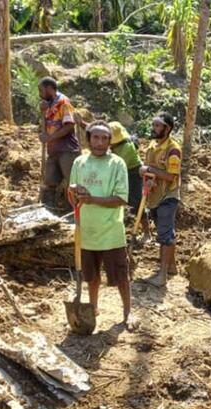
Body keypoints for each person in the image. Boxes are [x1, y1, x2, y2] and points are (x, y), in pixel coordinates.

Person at [68, 121, 136, 328]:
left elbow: (121, 199)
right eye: (95, 137)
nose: (100, 142)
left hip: (110, 232)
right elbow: (72, 194)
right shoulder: (79, 163)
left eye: (104, 138)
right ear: (88, 140)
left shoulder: (117, 164)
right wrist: (73, 191)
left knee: (121, 275)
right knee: (91, 276)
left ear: (110, 142)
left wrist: (92, 200)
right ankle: (93, 307)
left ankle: (127, 313)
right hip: (87, 230)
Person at [139, 113, 182, 288]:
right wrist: (147, 176)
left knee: (165, 235)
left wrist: (149, 169)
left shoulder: (173, 150)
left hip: (167, 197)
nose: (154, 128)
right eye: (154, 125)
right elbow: (152, 170)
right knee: (165, 232)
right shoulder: (152, 146)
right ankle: (171, 267)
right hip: (154, 196)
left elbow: (171, 176)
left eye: (158, 126)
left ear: (167, 128)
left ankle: (162, 275)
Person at [40, 77, 82, 211]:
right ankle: (48, 211)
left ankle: (74, 213)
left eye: (41, 90)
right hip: (53, 150)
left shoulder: (63, 102)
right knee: (50, 181)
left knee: (72, 182)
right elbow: (46, 126)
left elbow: (69, 126)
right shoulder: (48, 105)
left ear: (48, 88)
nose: (40, 93)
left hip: (67, 150)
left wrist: (50, 137)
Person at [107, 121, 148, 240]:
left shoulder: (127, 147)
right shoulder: (115, 146)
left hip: (133, 173)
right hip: (123, 173)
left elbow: (118, 165)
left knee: (137, 202)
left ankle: (146, 232)